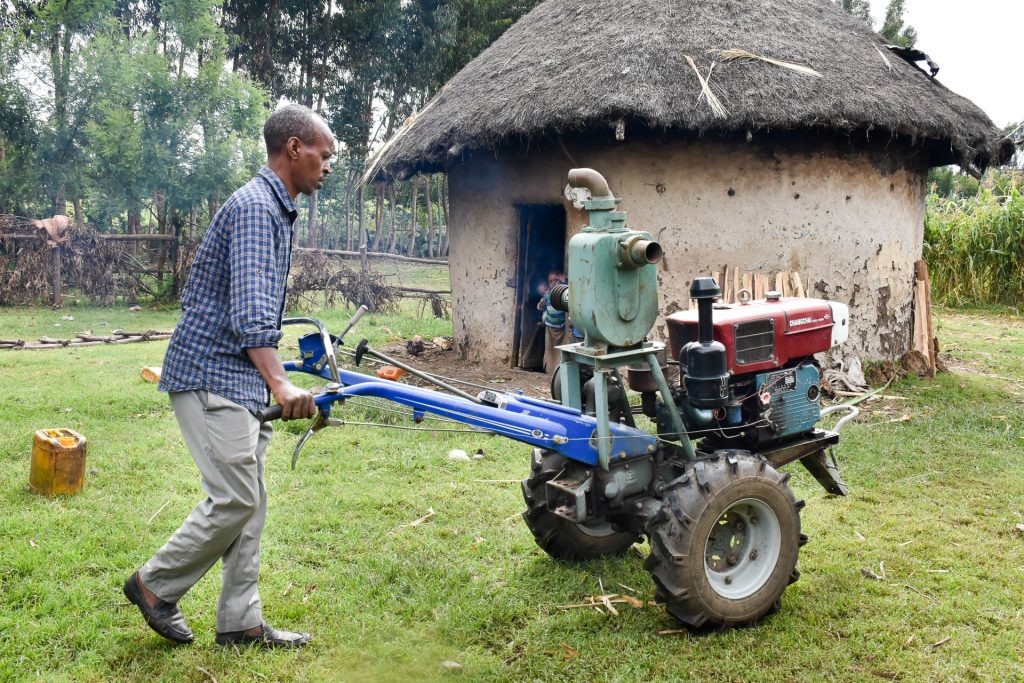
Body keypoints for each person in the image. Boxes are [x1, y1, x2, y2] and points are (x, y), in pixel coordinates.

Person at [123, 104, 333, 649]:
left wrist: (271, 381)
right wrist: (282, 383)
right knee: (236, 497)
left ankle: (240, 621)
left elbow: (254, 311)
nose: (327, 166)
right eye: (323, 154)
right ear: (293, 148)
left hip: (240, 380)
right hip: (211, 373)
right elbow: (248, 314)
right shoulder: (257, 208)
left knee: (252, 502)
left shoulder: (275, 208)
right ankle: (154, 585)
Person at [538, 270, 569, 373]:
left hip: (563, 326)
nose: (554, 283)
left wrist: (564, 283)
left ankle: (559, 372)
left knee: (561, 349)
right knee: (550, 349)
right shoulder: (547, 295)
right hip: (550, 327)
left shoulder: (565, 293)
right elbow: (540, 306)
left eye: (556, 280)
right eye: (551, 281)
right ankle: (549, 370)